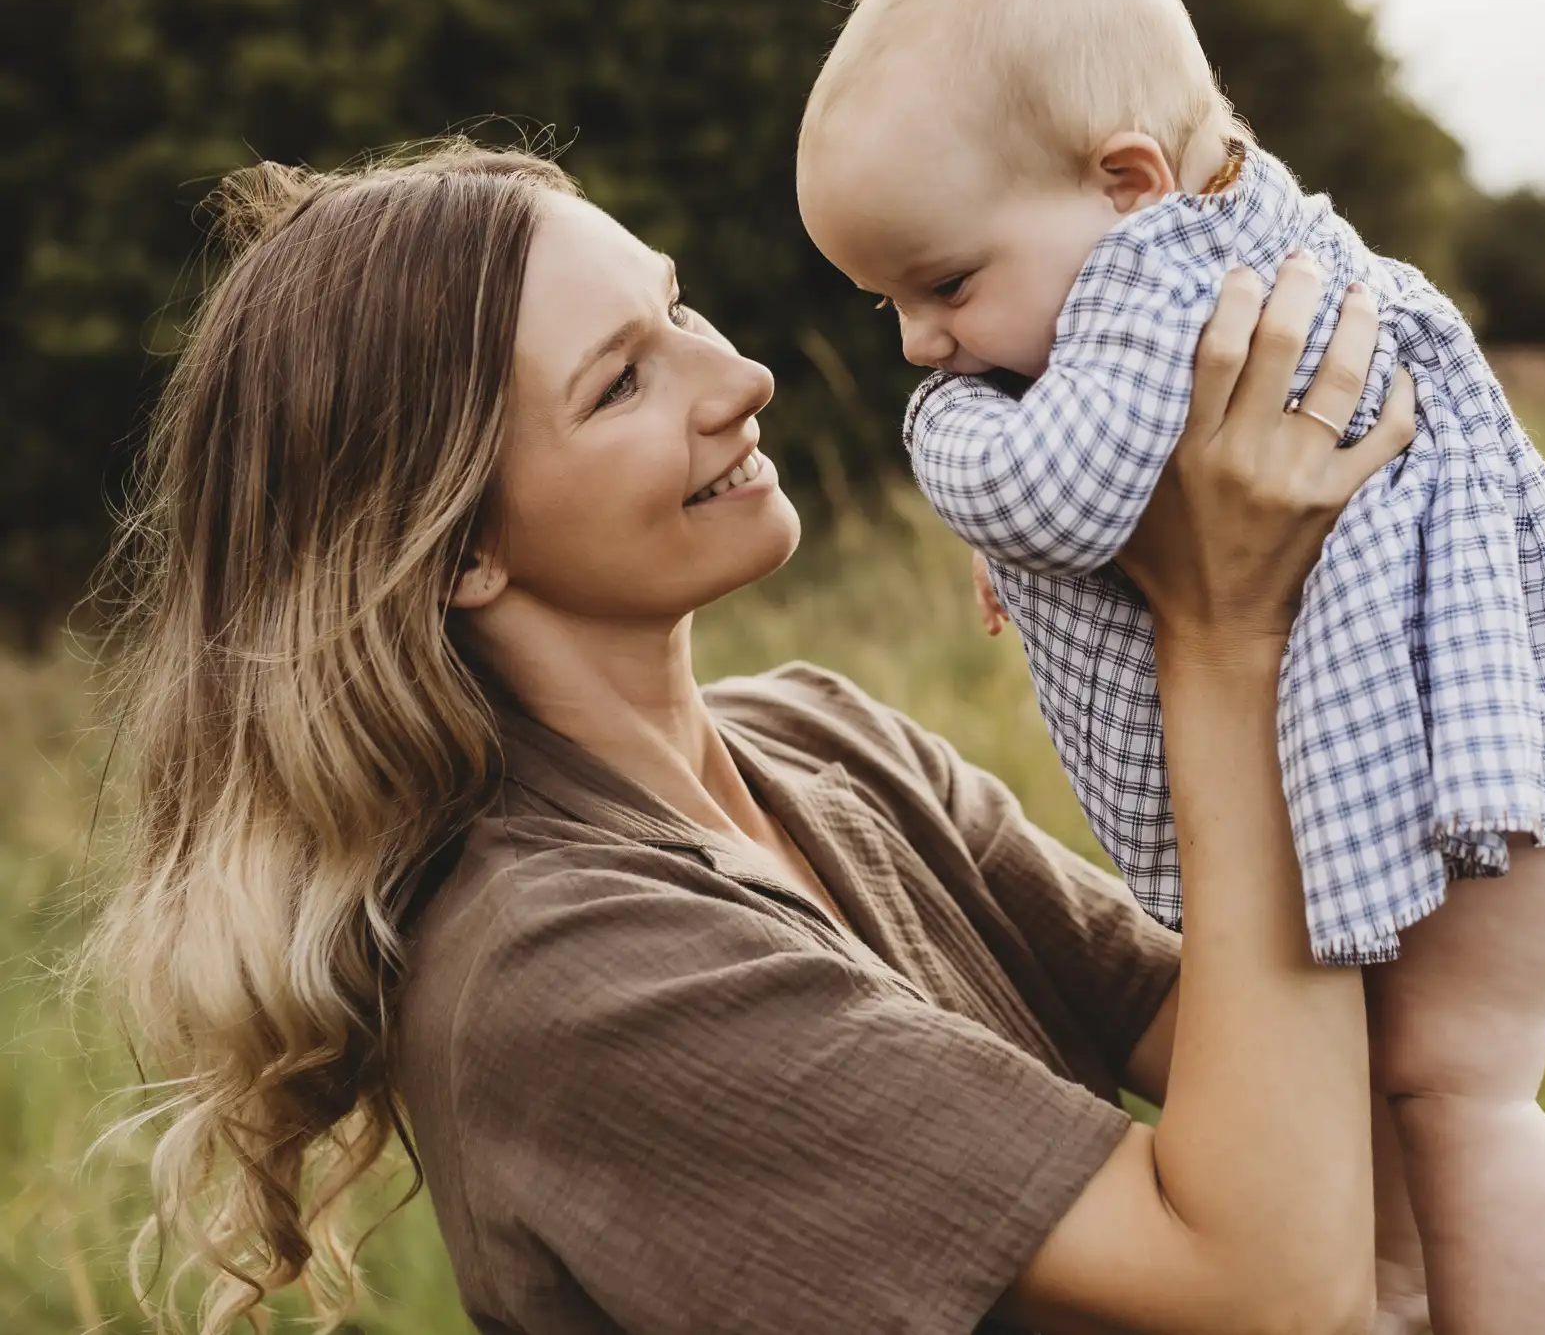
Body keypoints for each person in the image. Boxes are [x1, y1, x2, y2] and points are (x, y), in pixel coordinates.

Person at [84, 141, 1415, 1335]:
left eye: (675, 307)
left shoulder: (820, 741)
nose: (742, 376)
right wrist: (1226, 635)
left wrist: (1153, 542)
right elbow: (1267, 1285)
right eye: (620, 384)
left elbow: (1316, 1055)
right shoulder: (565, 973)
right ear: (463, 548)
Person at [795, 0, 1545, 1334]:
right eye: (893, 306)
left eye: (945, 286)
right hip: (1458, 773)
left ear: (1128, 179)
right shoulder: (1198, 239)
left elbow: (1052, 491)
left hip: (1485, 795)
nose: (920, 344)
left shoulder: (1166, 281)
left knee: (1457, 1091)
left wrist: (961, 452)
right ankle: (1402, 1306)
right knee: (1390, 1096)